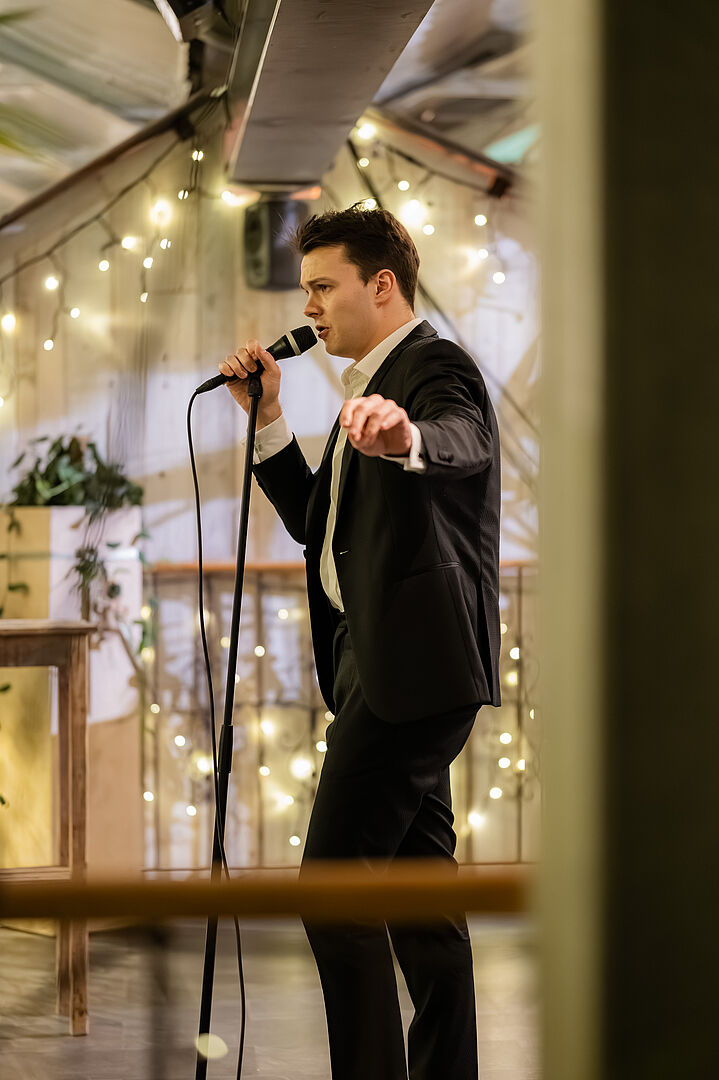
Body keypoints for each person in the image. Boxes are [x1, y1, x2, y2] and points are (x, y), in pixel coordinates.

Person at [219, 207, 502, 1080]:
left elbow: (463, 438)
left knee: (334, 897)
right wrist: (268, 414)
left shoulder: (432, 367)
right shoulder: (361, 388)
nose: (308, 307)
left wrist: (407, 436)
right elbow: (319, 525)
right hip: (375, 668)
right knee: (422, 904)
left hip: (410, 672)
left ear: (381, 286)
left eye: (321, 287)